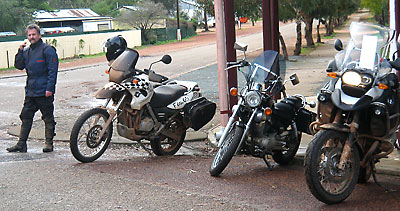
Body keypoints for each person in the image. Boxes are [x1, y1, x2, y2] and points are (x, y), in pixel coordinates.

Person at [6, 24, 58, 153]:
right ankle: (21, 144)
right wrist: (19, 51)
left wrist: (49, 88)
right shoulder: (26, 51)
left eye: (34, 34)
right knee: (25, 116)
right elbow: (19, 66)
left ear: (39, 35)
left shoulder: (48, 50)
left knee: (47, 118)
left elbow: (53, 71)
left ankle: (48, 144)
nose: (31, 37)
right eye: (29, 35)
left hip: (44, 91)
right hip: (31, 91)